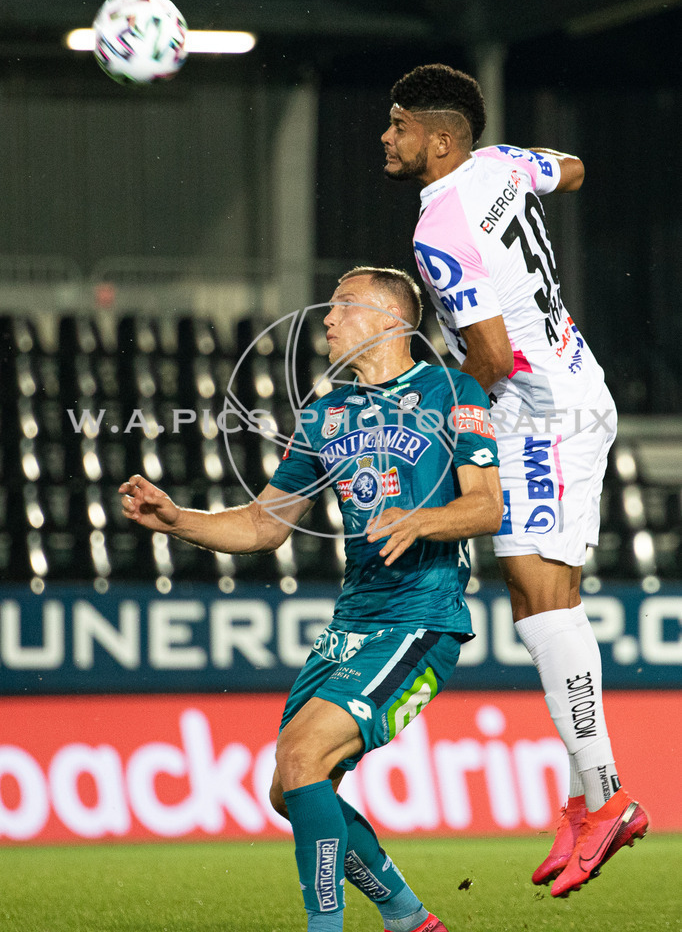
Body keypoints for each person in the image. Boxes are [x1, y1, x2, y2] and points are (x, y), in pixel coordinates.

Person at [120, 266, 503, 932]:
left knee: (300, 758)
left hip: (420, 619)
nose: (326, 321)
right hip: (349, 627)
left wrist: (421, 520)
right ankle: (411, 919)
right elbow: (267, 524)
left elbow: (486, 506)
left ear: (390, 318)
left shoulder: (452, 390)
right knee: (290, 789)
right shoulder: (326, 413)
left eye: (341, 307)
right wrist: (177, 518)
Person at [381, 64, 648, 898]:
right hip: (567, 384)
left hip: (539, 412)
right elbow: (568, 167)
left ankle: (607, 800)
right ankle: (586, 795)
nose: (386, 139)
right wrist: (534, 165)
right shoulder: (497, 165)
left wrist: (439, 388)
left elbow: (491, 359)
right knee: (537, 602)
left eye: (397, 126)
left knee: (546, 603)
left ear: (439, 138)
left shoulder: (438, 230)